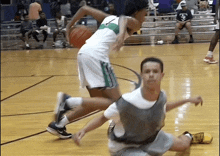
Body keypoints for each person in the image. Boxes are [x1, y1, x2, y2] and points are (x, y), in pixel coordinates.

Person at [46, 0, 148, 139]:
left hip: (84, 53)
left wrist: (69, 27)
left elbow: (85, 9)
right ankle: (68, 102)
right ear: (137, 12)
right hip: (97, 55)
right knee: (117, 103)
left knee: (96, 101)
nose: (145, 17)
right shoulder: (134, 22)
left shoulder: (108, 18)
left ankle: (59, 124)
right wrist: (121, 37)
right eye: (145, 13)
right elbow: (125, 19)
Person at [73, 57, 213, 156]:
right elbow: (102, 118)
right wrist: (84, 130)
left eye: (155, 71)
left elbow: (164, 107)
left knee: (183, 146)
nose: (151, 75)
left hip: (150, 137)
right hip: (125, 147)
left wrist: (187, 99)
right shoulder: (126, 102)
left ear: (162, 75)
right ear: (142, 75)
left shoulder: (160, 96)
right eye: (147, 72)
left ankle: (189, 136)